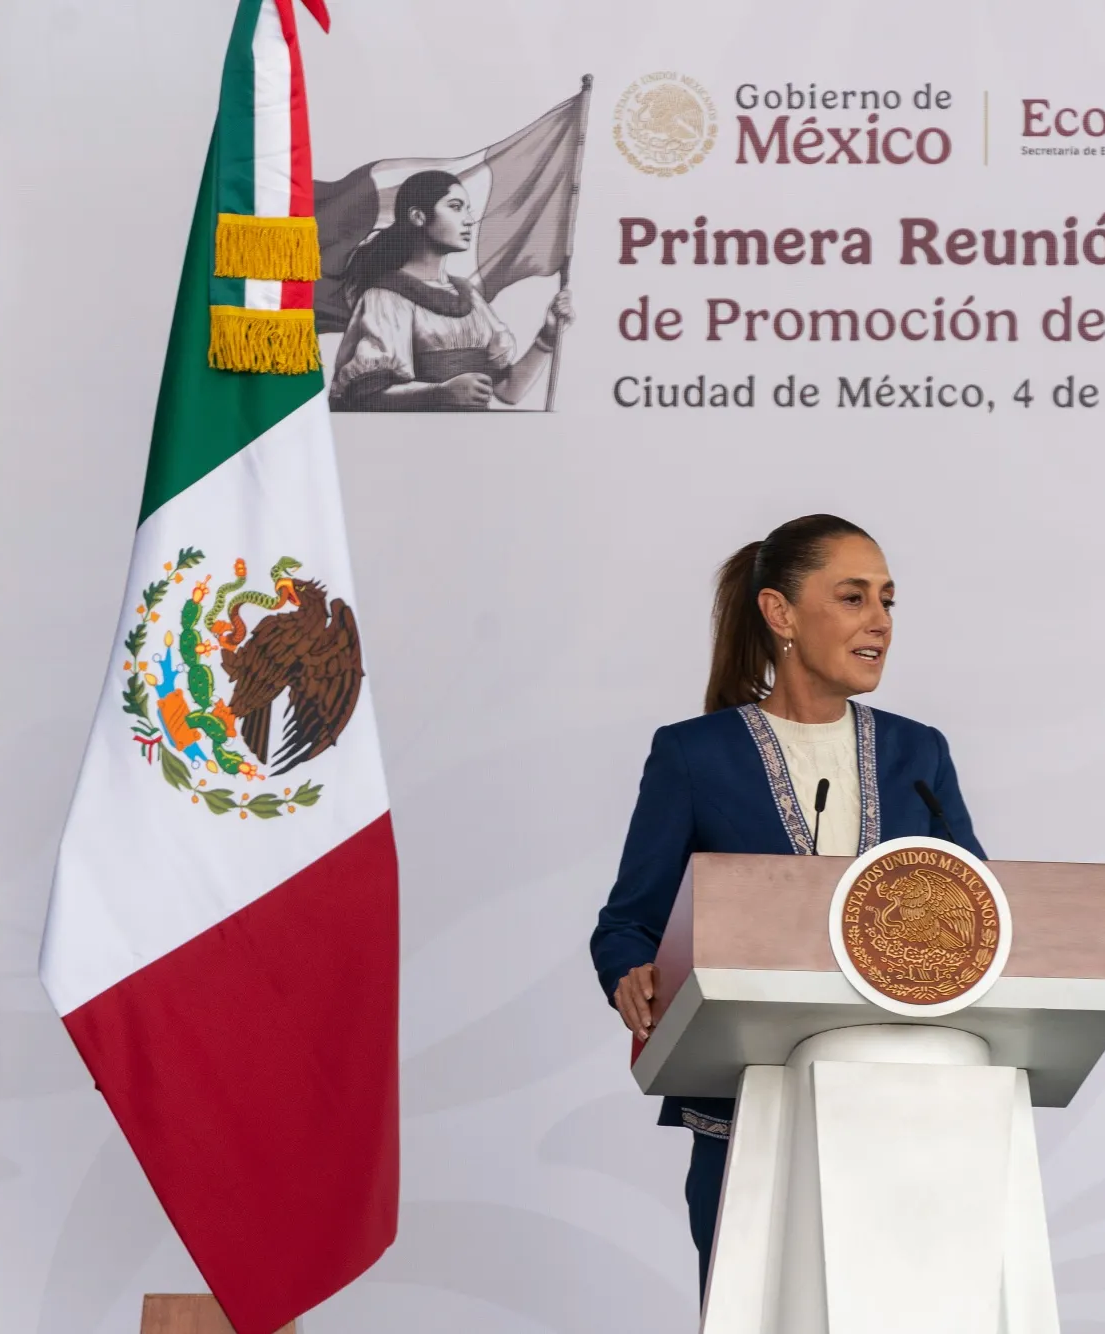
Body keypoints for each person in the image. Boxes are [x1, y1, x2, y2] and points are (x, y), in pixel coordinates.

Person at [588, 514, 986, 1299]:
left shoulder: (920, 753)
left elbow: (979, 907)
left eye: (888, 600)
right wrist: (629, 971)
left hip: (903, 1111)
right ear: (780, 615)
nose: (880, 622)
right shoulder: (695, 755)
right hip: (746, 1115)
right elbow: (628, 921)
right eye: (853, 597)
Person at [328, 169, 574, 410]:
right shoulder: (385, 297)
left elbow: (509, 391)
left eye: (467, 209)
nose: (468, 219)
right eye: (455, 207)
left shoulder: (469, 297)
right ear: (418, 216)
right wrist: (440, 393)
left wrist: (547, 336)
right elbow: (365, 399)